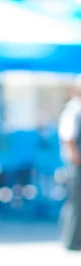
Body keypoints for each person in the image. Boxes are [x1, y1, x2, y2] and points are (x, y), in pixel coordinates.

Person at [58, 82, 81, 250]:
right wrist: (76, 158)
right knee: (76, 203)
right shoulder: (73, 111)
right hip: (76, 165)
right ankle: (72, 241)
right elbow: (68, 139)